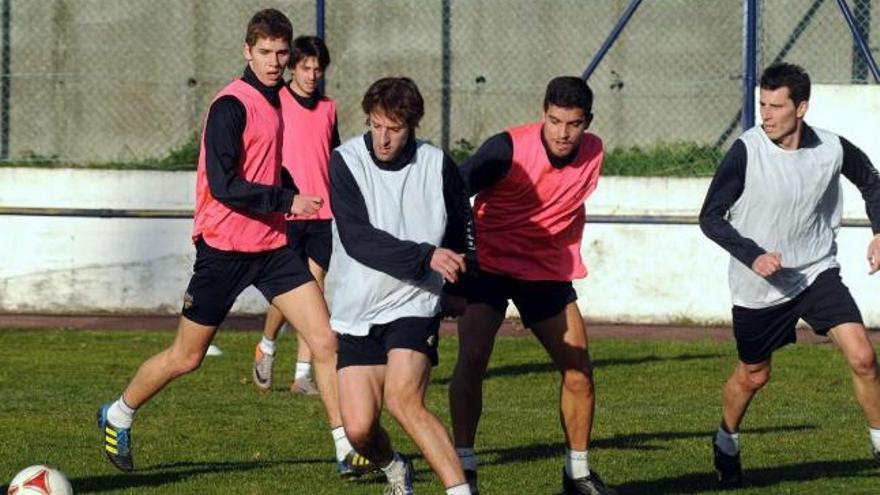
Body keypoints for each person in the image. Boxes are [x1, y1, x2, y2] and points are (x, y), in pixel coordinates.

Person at [96, 9, 369, 478]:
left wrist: (289, 190)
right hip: (223, 249)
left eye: (281, 54)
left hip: (271, 248)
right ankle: (118, 412)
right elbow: (224, 185)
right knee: (187, 357)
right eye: (265, 53)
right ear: (247, 51)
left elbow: (267, 166)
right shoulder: (231, 104)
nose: (274, 62)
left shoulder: (277, 100)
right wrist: (287, 197)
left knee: (325, 340)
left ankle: (346, 448)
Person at [699, 62, 880, 488]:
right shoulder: (747, 150)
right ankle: (726, 439)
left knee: (864, 358)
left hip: (816, 272)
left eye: (776, 106)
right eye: (762, 104)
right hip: (759, 285)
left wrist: (879, 231)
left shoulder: (832, 148)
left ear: (801, 107)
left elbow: (871, 181)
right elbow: (710, 217)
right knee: (754, 375)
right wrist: (753, 255)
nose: (766, 114)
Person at [448, 76, 613, 495]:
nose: (562, 133)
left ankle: (577, 474)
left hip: (545, 271)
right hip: (488, 265)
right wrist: (453, 257)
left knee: (580, 371)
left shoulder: (594, 152)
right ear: (543, 113)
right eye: (554, 120)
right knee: (472, 358)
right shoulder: (506, 148)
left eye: (573, 124)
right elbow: (451, 193)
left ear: (587, 123)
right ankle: (464, 468)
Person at [326, 77, 473, 495]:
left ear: (412, 127)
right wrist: (426, 254)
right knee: (357, 430)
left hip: (415, 301)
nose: (383, 138)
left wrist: (460, 285)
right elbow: (357, 239)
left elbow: (462, 227)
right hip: (359, 308)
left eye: (394, 128)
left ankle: (459, 490)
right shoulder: (345, 161)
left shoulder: (437, 163)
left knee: (404, 400)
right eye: (376, 126)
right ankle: (393, 466)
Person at [252, 35, 340, 396]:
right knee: (291, 292)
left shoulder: (329, 108)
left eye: (317, 70)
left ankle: (302, 375)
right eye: (305, 68)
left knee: (314, 293)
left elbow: (334, 155)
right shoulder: (277, 102)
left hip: (323, 212)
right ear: (293, 68)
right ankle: (267, 344)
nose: (311, 75)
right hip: (288, 210)